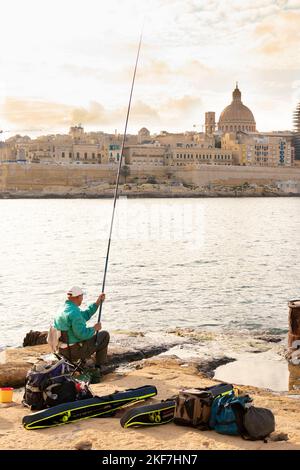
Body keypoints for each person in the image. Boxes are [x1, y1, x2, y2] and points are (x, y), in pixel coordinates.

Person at [54, 286, 110, 382]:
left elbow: (84, 315)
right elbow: (82, 335)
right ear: (77, 297)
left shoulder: (63, 309)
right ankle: (100, 366)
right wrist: (94, 328)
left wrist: (97, 303)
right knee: (104, 335)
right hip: (74, 351)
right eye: (82, 296)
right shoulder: (74, 312)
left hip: (62, 351)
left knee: (90, 336)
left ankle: (84, 364)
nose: (82, 298)